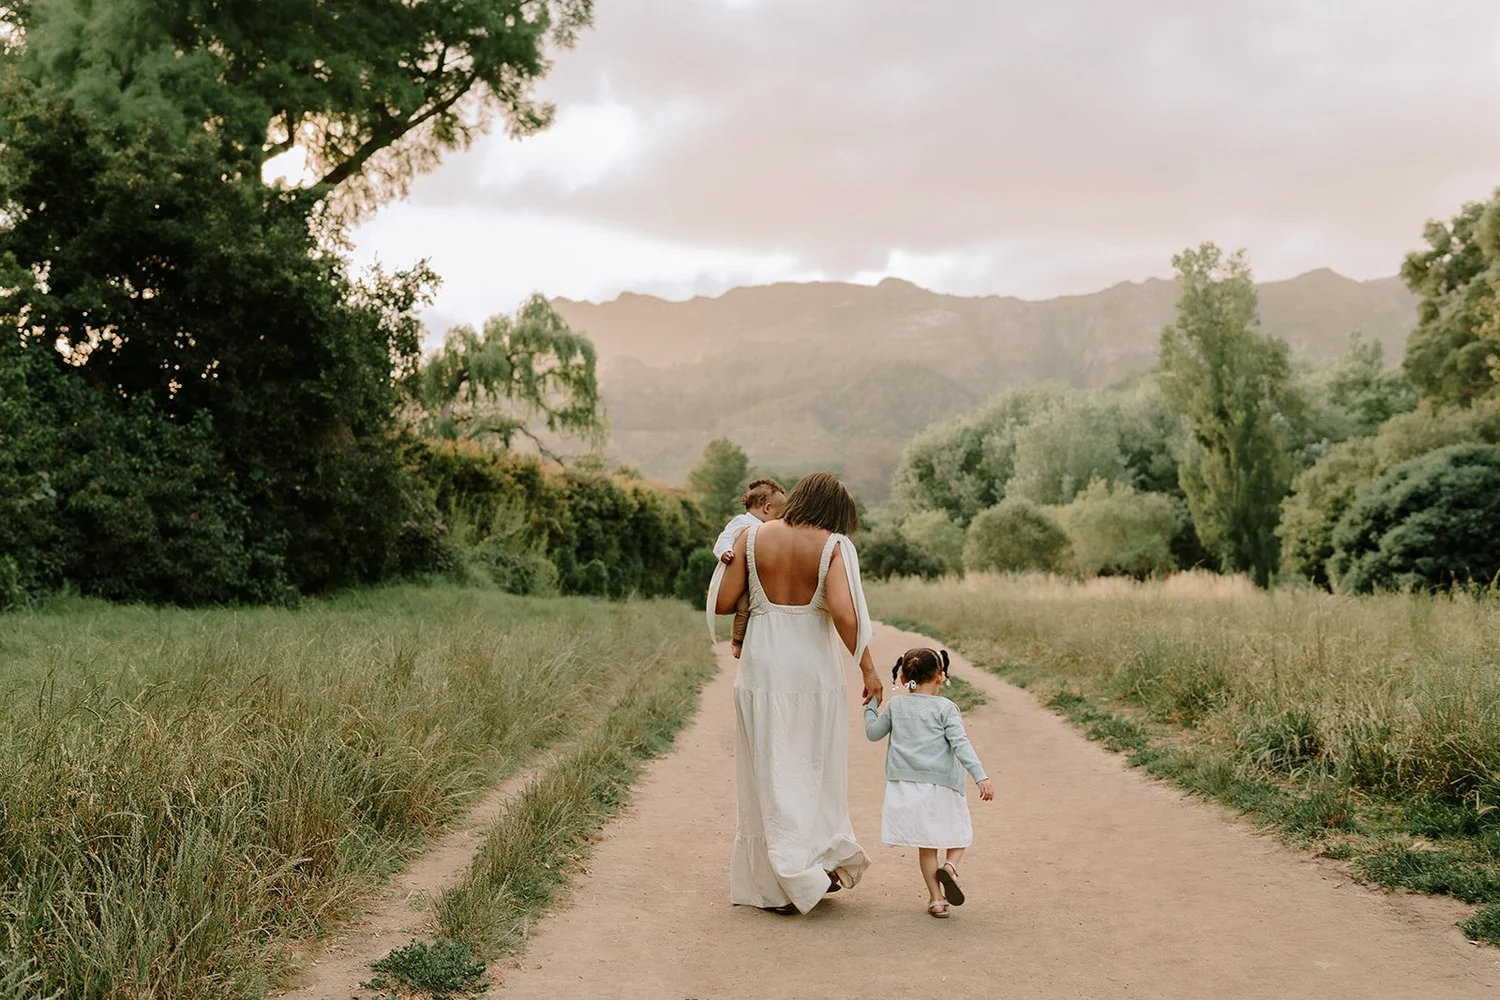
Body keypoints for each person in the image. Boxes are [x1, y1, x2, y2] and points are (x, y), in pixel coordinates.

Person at [708, 472, 883, 915]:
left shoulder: (751, 537)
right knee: (811, 767)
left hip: (762, 669)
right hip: (812, 674)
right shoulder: (833, 546)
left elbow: (724, 602)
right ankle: (807, 867)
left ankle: (775, 881)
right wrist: (868, 669)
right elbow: (844, 613)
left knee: (767, 770)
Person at [864, 646, 994, 919]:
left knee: (927, 846)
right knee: (959, 834)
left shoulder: (896, 706)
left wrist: (872, 705)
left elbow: (873, 733)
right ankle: (950, 868)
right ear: (940, 676)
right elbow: (960, 744)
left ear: (903, 679)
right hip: (944, 785)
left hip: (907, 787)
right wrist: (980, 776)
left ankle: (936, 899)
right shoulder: (946, 708)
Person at [712, 478, 787, 659]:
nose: (781, 520)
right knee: (744, 607)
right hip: (742, 578)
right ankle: (737, 641)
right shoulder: (742, 522)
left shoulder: (765, 529)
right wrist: (724, 552)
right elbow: (724, 538)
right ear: (767, 508)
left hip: (757, 578)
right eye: (779, 515)